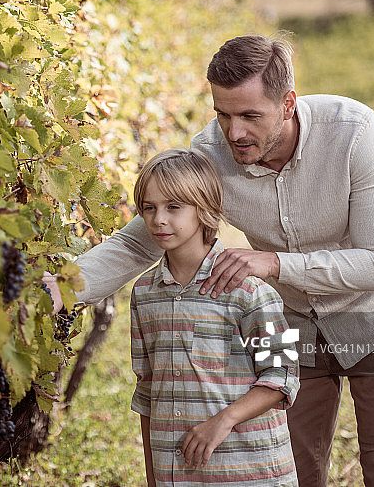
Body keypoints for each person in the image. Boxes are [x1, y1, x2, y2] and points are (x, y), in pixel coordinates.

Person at [45, 33, 374, 486]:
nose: (235, 132)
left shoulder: (354, 131)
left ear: (288, 104)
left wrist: (273, 263)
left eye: (250, 115)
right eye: (223, 115)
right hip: (290, 322)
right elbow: (139, 242)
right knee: (298, 473)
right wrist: (62, 286)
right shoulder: (209, 153)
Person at [128, 148, 299, 486]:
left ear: (204, 210)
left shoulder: (250, 292)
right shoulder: (144, 293)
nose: (158, 219)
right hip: (177, 475)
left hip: (251, 474)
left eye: (173, 207)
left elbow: (283, 378)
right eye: (149, 208)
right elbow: (147, 391)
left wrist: (223, 420)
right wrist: (155, 477)